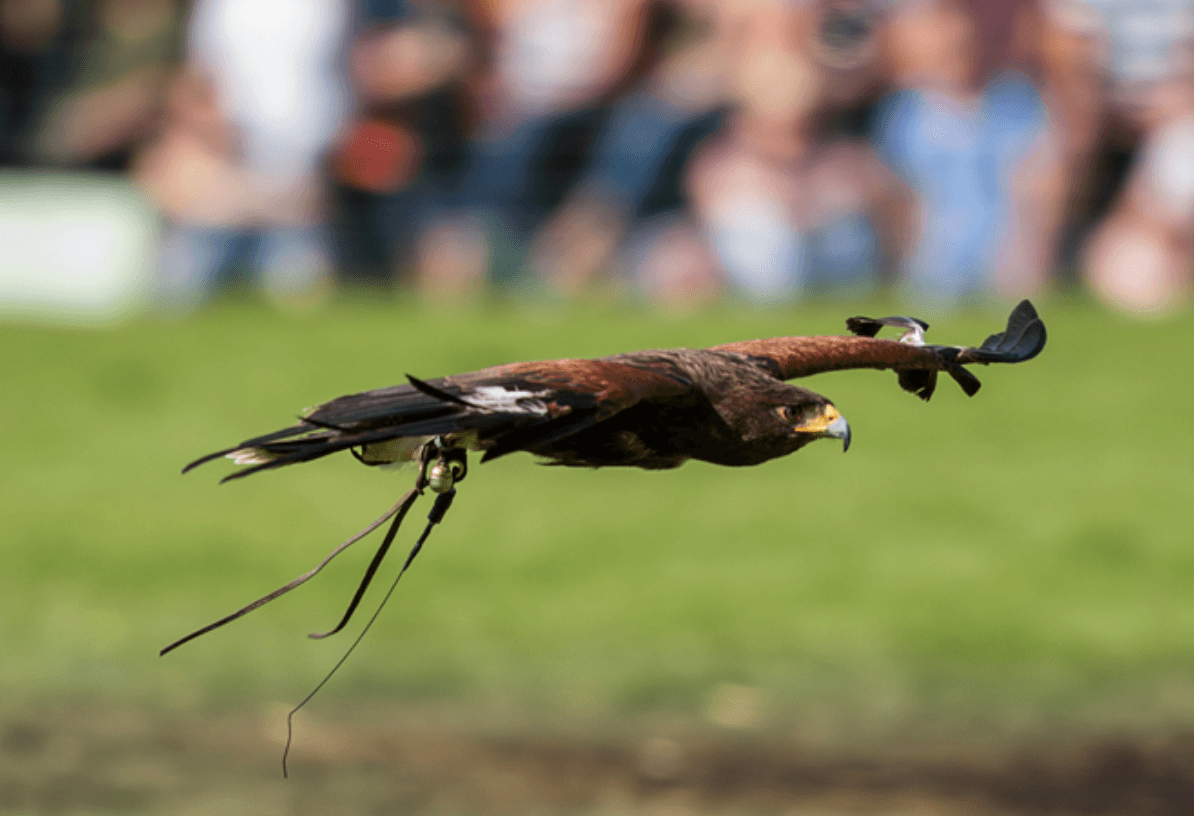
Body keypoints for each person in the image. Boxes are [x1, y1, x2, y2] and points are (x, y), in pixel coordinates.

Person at [135, 0, 353, 311]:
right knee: (184, 280)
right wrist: (210, 131)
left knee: (297, 286)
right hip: (223, 145)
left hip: (305, 146)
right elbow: (200, 73)